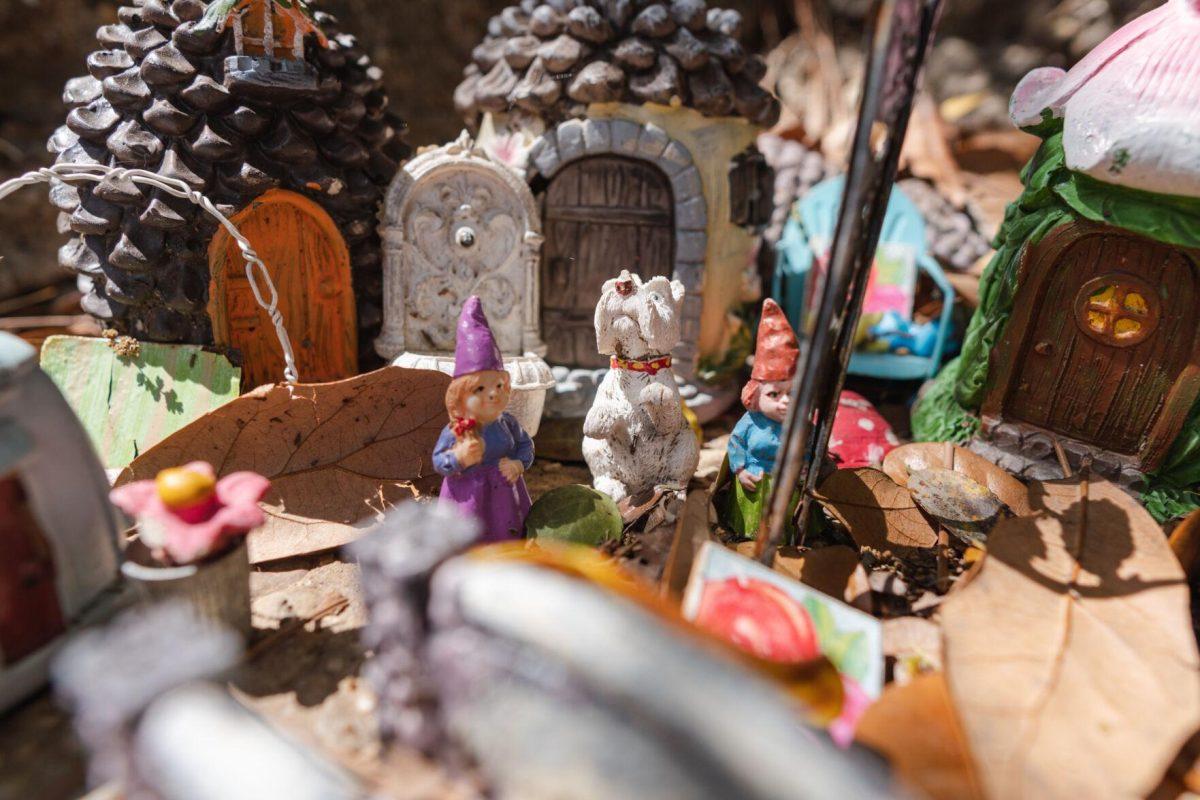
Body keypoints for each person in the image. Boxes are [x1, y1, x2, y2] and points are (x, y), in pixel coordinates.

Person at [433, 297, 534, 541]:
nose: (493, 393)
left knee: (507, 532)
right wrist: (458, 458)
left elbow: (525, 445)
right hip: (466, 496)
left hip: (505, 494)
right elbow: (439, 459)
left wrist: (518, 464)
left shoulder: (508, 423)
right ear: (460, 395)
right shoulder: (456, 430)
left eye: (499, 385)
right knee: (466, 540)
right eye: (480, 389)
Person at [722, 299, 800, 540]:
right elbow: (736, 443)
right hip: (754, 479)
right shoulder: (750, 422)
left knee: (786, 523)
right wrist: (741, 470)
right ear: (755, 396)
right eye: (774, 394)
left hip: (789, 483)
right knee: (752, 523)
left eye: (793, 393)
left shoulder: (800, 424)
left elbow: (807, 446)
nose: (785, 402)